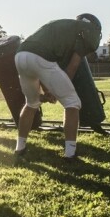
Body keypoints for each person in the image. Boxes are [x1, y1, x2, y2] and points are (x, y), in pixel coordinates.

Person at [13, 14, 102, 160]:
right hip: (40, 58)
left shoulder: (62, 26)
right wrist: (56, 92)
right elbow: (72, 67)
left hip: (21, 55)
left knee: (31, 103)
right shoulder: (82, 33)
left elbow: (40, 63)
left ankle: (20, 147)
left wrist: (49, 90)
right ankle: (70, 153)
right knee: (72, 103)